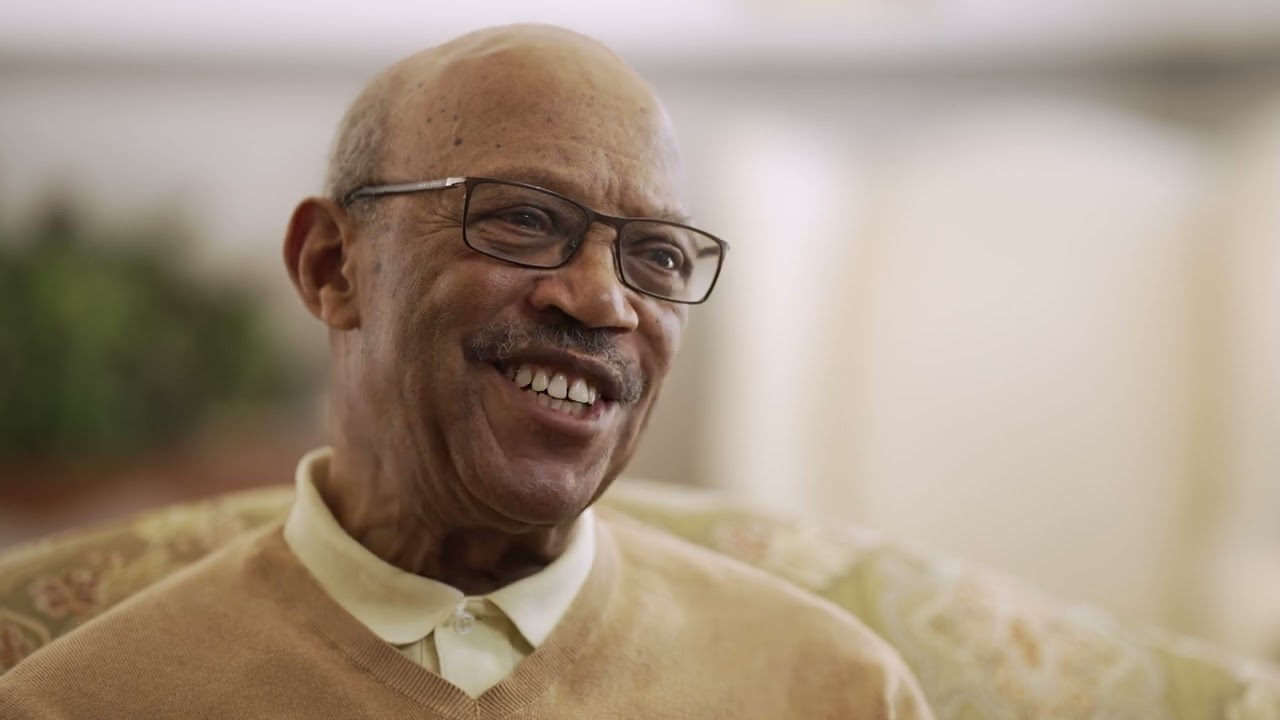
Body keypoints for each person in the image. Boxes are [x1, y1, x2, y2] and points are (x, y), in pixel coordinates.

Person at [0, 24, 935, 718]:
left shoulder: (833, 690)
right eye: (524, 219)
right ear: (332, 268)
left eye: (656, 254)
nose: (604, 301)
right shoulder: (83, 703)